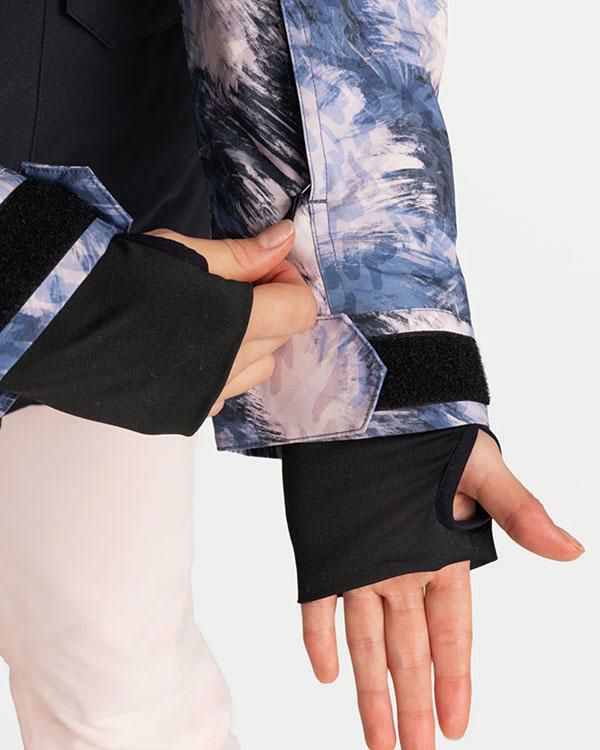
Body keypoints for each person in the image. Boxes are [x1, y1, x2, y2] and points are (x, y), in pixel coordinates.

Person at [0, 2, 584, 749]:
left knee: (117, 697)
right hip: (99, 300)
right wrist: (31, 283)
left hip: (111, 262)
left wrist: (374, 382)